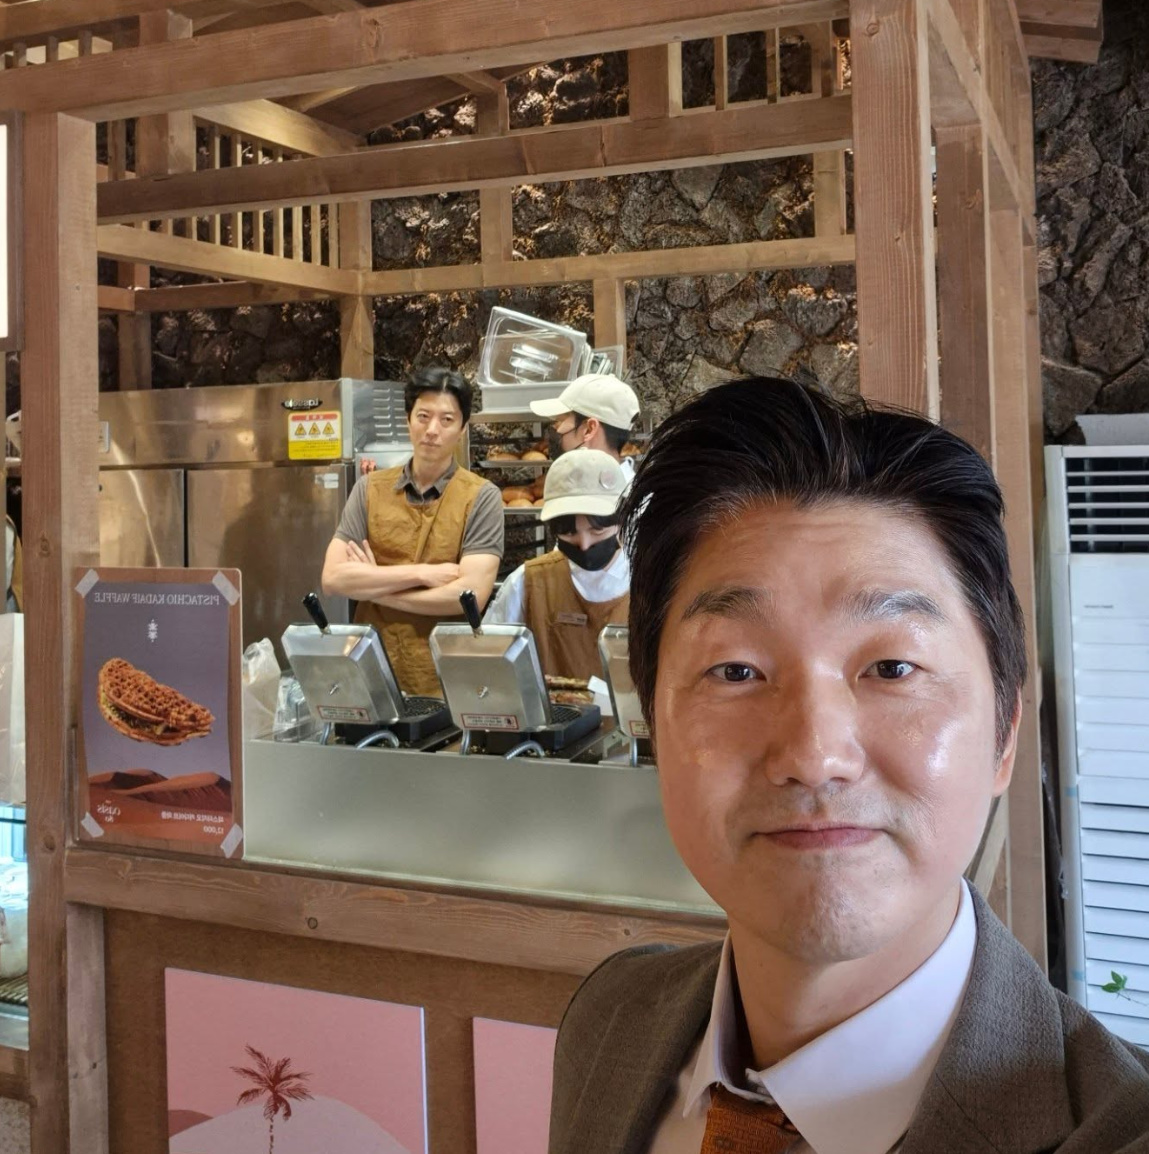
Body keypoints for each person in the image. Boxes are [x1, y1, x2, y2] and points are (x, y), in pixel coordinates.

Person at [548, 377, 1149, 1154]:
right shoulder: (609, 1019)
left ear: (1003, 732)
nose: (813, 756)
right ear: (653, 725)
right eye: (734, 670)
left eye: (892, 668)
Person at [321, 366, 503, 697]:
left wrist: (374, 588)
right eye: (423, 416)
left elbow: (469, 596)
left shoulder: (481, 496)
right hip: (370, 672)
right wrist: (422, 573)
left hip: (447, 679)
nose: (432, 430)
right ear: (408, 419)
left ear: (462, 428)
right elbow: (333, 578)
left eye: (446, 420)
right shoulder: (369, 489)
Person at [483, 449, 629, 682]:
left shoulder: (650, 581)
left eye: (597, 530)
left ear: (622, 520)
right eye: (569, 533)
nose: (584, 544)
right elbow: (492, 660)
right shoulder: (529, 582)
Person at [530, 373, 641, 482]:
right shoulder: (593, 483)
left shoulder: (619, 493)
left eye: (562, 420)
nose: (556, 428)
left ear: (589, 429)